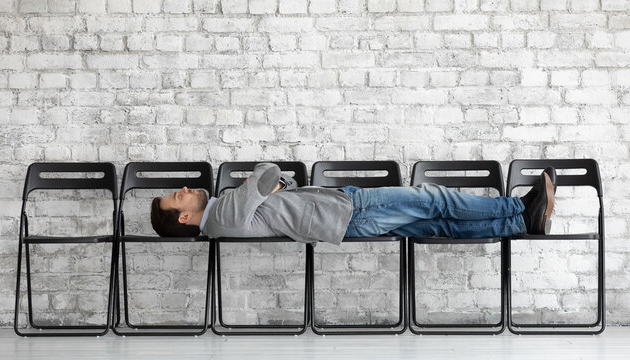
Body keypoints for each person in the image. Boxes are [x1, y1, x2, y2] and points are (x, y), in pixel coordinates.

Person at [151, 163, 556, 244]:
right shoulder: (221, 215)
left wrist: (265, 185)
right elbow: (269, 172)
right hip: (345, 211)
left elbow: (280, 183)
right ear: (184, 217)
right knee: (433, 198)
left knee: (437, 225)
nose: (185, 189)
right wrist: (259, 179)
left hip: (338, 215)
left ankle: (521, 224)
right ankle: (519, 208)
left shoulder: (229, 209)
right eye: (177, 197)